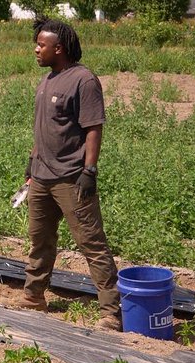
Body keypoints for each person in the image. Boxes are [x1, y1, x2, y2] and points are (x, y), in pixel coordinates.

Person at [21, 17, 121, 330]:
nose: (36, 50)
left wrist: (89, 170)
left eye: (41, 45)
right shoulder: (47, 81)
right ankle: (34, 296)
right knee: (40, 240)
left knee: (91, 243)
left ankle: (111, 312)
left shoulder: (83, 80)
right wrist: (31, 164)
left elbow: (93, 128)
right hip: (42, 177)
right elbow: (44, 129)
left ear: (59, 48)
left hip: (71, 178)